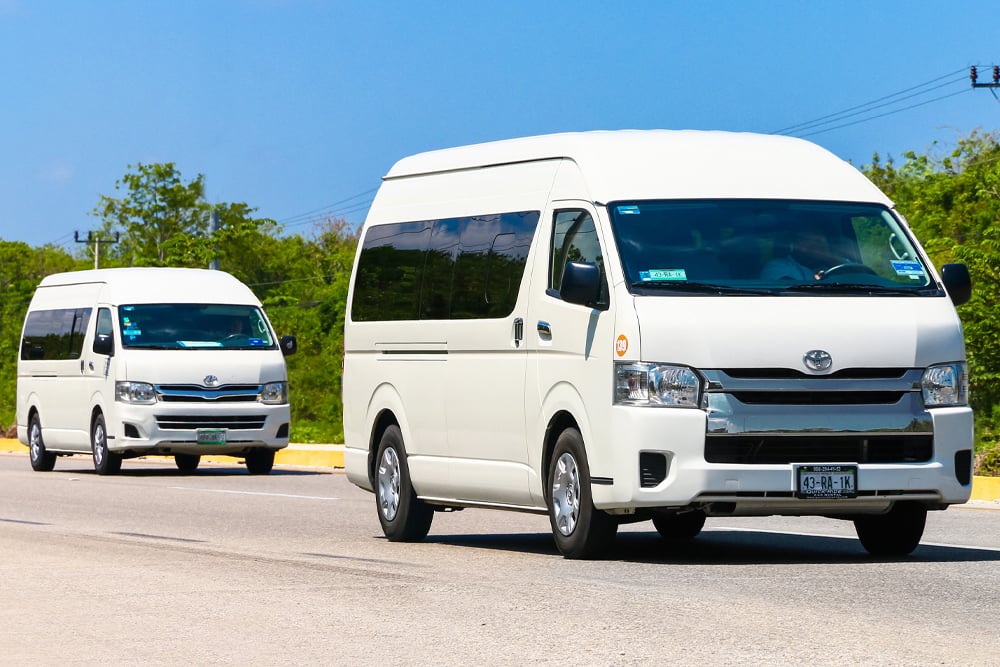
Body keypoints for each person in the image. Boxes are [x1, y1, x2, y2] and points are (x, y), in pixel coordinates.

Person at [761, 228, 838, 281]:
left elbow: (848, 276)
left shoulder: (831, 267)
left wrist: (831, 260)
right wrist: (816, 285)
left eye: (820, 241)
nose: (817, 247)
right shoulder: (777, 266)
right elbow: (786, 292)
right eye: (809, 240)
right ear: (795, 243)